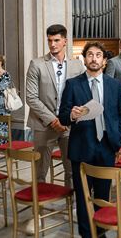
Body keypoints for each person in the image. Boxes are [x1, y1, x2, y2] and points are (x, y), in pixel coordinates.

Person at [58, 42, 121, 238]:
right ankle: (87, 234)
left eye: (98, 55)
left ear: (104, 60)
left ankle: (101, 232)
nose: (94, 58)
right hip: (82, 146)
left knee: (103, 195)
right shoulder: (73, 84)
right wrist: (71, 115)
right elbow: (62, 116)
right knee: (83, 196)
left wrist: (117, 136)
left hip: (107, 145)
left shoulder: (114, 84)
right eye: (90, 54)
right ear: (84, 59)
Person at [26, 24, 84, 185]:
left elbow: (81, 96)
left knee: (72, 170)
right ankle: (40, 200)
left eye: (57, 40)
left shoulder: (77, 65)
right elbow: (31, 97)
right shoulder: (36, 64)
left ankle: (71, 200)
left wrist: (67, 118)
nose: (53, 44)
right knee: (39, 172)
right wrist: (53, 120)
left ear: (65, 41)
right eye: (50, 40)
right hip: (43, 124)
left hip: (69, 125)